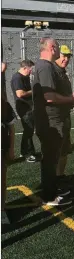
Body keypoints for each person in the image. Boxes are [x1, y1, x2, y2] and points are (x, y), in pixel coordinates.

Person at [32, 37, 74, 206]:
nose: (60, 52)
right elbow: (49, 97)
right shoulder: (45, 67)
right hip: (51, 121)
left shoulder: (47, 66)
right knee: (50, 158)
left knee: (53, 156)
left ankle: (51, 190)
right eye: (58, 48)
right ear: (52, 48)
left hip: (54, 119)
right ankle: (50, 196)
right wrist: (69, 99)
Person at [53, 45, 74, 193]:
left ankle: (60, 176)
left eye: (68, 56)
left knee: (64, 149)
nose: (66, 59)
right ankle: (53, 180)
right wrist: (69, 99)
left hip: (65, 115)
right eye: (63, 55)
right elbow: (50, 96)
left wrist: (71, 100)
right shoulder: (52, 71)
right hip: (56, 117)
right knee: (56, 150)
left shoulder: (63, 72)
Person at [10, 60, 37, 162]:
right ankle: (27, 153)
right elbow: (20, 94)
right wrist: (34, 91)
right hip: (23, 107)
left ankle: (25, 151)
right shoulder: (17, 78)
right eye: (30, 70)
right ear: (25, 68)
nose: (31, 72)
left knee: (29, 130)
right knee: (28, 129)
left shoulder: (24, 77)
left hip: (28, 107)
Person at [1, 95, 16, 224]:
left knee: (1, 181)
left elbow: (11, 128)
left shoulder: (4, 105)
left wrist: (11, 149)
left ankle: (1, 210)